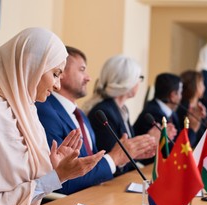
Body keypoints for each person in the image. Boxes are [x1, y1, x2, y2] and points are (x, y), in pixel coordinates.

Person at [0, 28, 104, 205]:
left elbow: (27, 193)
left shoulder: (27, 112)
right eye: (55, 74)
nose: (56, 85)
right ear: (31, 67)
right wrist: (59, 176)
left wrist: (54, 167)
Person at [36, 47, 154, 194]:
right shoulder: (44, 111)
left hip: (94, 195)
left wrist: (124, 157)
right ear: (61, 72)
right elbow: (62, 178)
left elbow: (92, 164)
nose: (88, 78)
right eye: (82, 70)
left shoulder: (80, 115)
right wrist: (114, 158)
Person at [85, 55, 156, 172]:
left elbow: (125, 153)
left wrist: (138, 151)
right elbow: (111, 159)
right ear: (128, 81)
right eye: (139, 77)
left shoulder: (122, 109)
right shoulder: (104, 112)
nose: (139, 82)